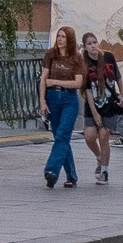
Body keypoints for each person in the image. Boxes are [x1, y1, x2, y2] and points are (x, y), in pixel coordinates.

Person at [38, 26, 85, 188]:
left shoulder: (76, 58)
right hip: (52, 98)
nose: (60, 39)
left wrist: (56, 82)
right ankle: (71, 176)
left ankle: (51, 171)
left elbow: (78, 83)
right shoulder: (51, 55)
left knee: (63, 135)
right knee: (60, 136)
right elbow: (44, 78)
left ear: (69, 39)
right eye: (58, 36)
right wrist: (42, 101)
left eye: (63, 37)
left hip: (69, 99)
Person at [78, 32, 123, 184]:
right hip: (93, 103)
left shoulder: (108, 57)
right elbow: (87, 90)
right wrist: (94, 113)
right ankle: (99, 157)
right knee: (90, 136)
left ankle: (104, 170)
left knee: (104, 136)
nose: (93, 46)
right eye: (89, 43)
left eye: (95, 42)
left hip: (109, 103)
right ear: (85, 47)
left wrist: (122, 95)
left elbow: (118, 77)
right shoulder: (84, 63)